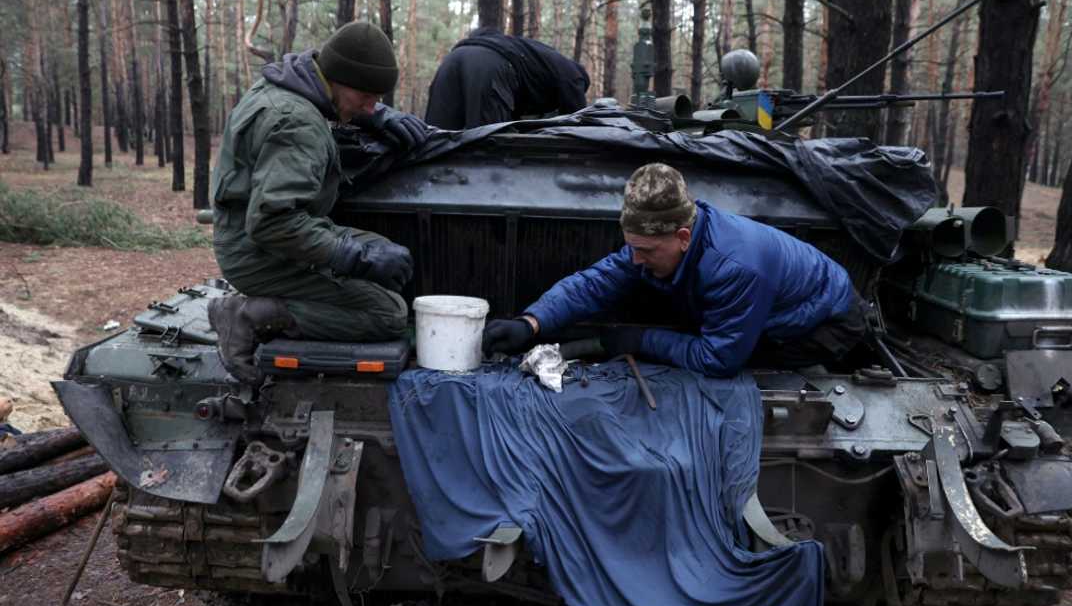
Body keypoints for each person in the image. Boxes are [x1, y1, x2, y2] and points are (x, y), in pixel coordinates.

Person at [482, 163, 867, 378]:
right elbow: (595, 283)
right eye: (632, 248)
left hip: (825, 322)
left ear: (683, 236)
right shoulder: (659, 242)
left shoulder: (735, 267)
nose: (636, 261)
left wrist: (641, 341)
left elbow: (719, 360)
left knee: (740, 376)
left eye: (646, 251)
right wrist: (531, 323)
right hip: (763, 300)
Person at [207, 22, 429, 382]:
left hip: (256, 235)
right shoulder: (298, 124)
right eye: (367, 97)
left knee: (389, 256)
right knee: (387, 314)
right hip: (256, 251)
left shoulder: (288, 84)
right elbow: (273, 223)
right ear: (341, 79)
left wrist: (372, 117)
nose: (373, 107)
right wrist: (352, 256)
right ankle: (247, 315)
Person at [424, 27, 590, 130]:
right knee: (488, 144)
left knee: (436, 139)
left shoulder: (536, 59)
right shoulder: (575, 76)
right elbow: (576, 125)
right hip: (489, 62)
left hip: (453, 58)